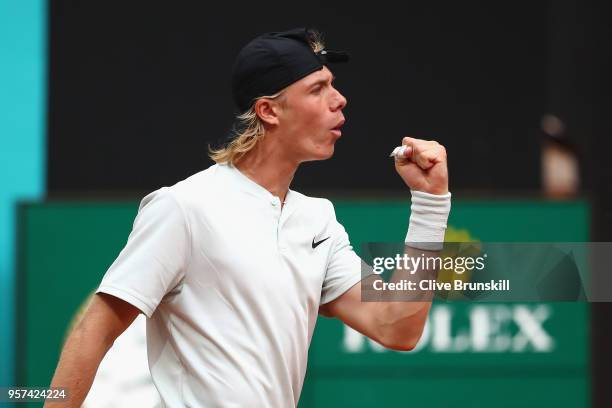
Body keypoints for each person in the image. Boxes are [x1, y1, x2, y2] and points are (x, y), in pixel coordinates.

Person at [46, 27, 451, 407]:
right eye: (318, 88)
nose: (339, 99)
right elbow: (94, 331)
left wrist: (431, 202)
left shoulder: (318, 220)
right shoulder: (184, 206)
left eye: (333, 85)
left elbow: (397, 326)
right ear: (269, 111)